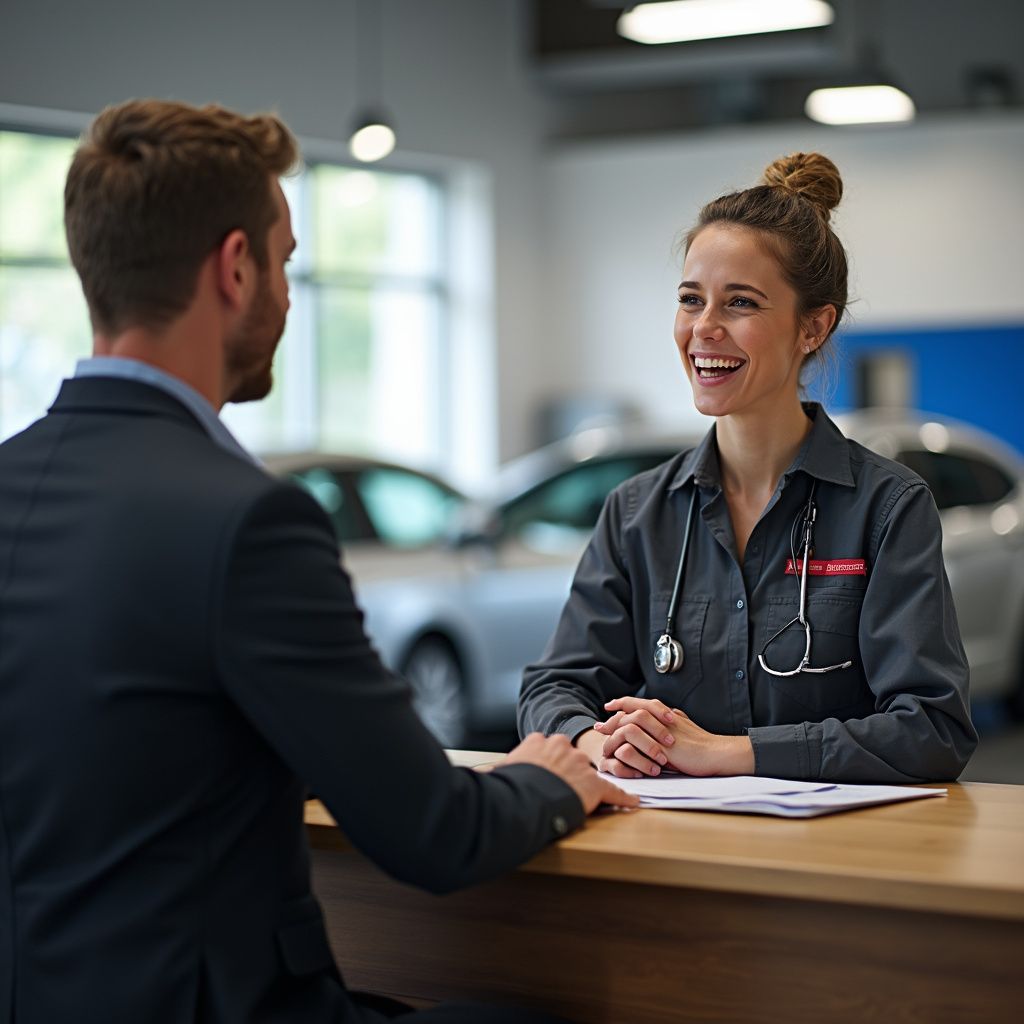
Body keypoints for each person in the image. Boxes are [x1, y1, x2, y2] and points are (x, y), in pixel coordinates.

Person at [0, 99, 636, 1024]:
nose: (290, 296)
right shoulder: (247, 519)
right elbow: (433, 836)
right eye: (289, 261)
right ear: (236, 266)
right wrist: (552, 779)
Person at [518, 152, 978, 784]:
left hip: (829, 863)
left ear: (813, 326)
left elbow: (932, 730)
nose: (704, 329)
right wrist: (600, 744)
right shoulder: (636, 512)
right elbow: (554, 688)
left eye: (740, 303)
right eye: (690, 299)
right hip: (665, 854)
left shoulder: (887, 507)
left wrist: (725, 753)